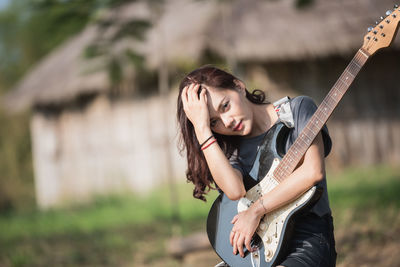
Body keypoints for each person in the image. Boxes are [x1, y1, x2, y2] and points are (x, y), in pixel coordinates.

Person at [176, 65, 337, 267]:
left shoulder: (297, 110)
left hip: (308, 240)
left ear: (239, 86)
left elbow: (312, 172)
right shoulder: (231, 151)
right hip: (258, 250)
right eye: (214, 122)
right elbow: (235, 191)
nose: (227, 122)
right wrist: (201, 129)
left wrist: (255, 211)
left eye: (225, 106)